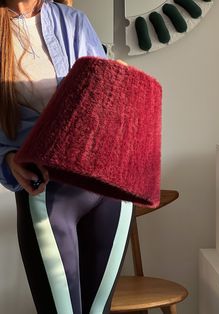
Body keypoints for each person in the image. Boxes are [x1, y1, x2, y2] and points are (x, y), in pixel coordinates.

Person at [0, 0, 133, 313]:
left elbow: (104, 102)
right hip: (45, 194)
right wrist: (6, 158)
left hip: (109, 189)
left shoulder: (73, 21)